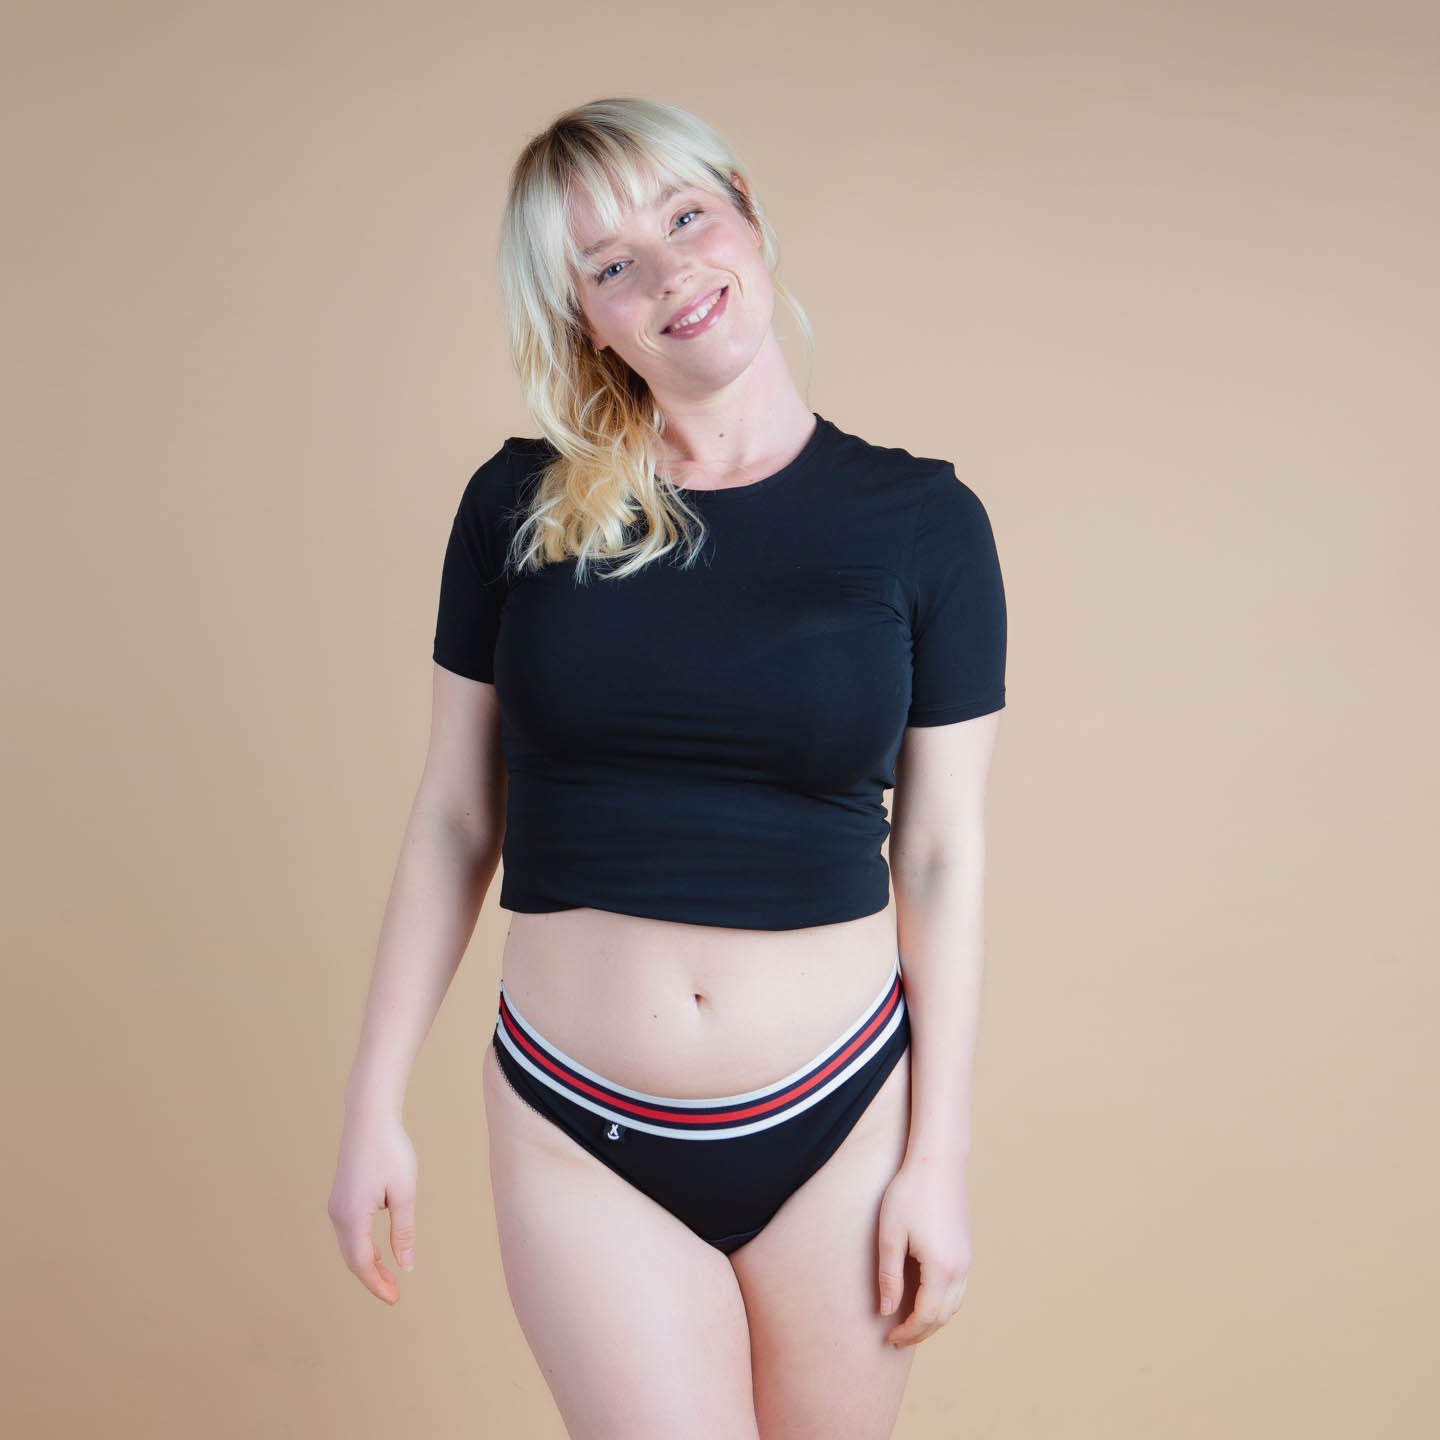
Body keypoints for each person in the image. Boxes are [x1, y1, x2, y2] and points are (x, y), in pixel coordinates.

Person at [328, 96, 1008, 1440]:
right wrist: (371, 1107)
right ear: (587, 318)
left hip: (843, 1116)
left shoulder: (925, 524)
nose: (669, 273)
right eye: (611, 264)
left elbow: (940, 855)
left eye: (687, 217)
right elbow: (456, 820)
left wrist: (940, 1157)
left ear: (748, 216)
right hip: (579, 1124)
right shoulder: (516, 508)